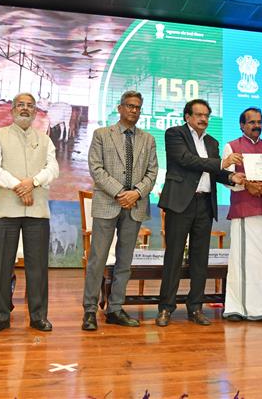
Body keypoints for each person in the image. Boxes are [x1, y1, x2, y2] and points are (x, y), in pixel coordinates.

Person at [156, 99, 245, 327]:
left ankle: (195, 307)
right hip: (180, 203)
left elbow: (213, 171)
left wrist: (231, 176)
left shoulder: (212, 142)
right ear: (188, 116)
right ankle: (166, 308)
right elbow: (187, 160)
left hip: (204, 204)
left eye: (207, 115)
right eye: (199, 115)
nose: (204, 119)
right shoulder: (174, 134)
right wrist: (222, 163)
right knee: (174, 257)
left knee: (200, 259)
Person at [0, 93, 59, 333]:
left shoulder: (45, 139)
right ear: (12, 109)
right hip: (5, 211)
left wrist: (33, 182)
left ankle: (38, 317)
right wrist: (19, 186)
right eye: (20, 105)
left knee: (38, 268)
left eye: (30, 106)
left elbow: (53, 168)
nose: (25, 109)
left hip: (37, 211)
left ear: (35, 112)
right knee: (1, 267)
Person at [81, 90, 157, 331]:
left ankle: (115, 308)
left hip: (135, 205)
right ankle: (90, 310)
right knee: (97, 260)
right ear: (120, 108)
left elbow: (152, 172)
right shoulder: (102, 134)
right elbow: (96, 168)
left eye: (138, 107)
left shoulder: (148, 139)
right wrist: (120, 193)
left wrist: (136, 193)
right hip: (107, 203)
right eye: (130, 106)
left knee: (125, 262)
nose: (134, 110)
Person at [222, 108, 262, 322]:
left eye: (259, 122)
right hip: (245, 210)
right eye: (251, 122)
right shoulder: (232, 147)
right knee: (243, 261)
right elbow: (225, 178)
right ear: (242, 125)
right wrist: (246, 185)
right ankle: (238, 308)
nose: (256, 126)